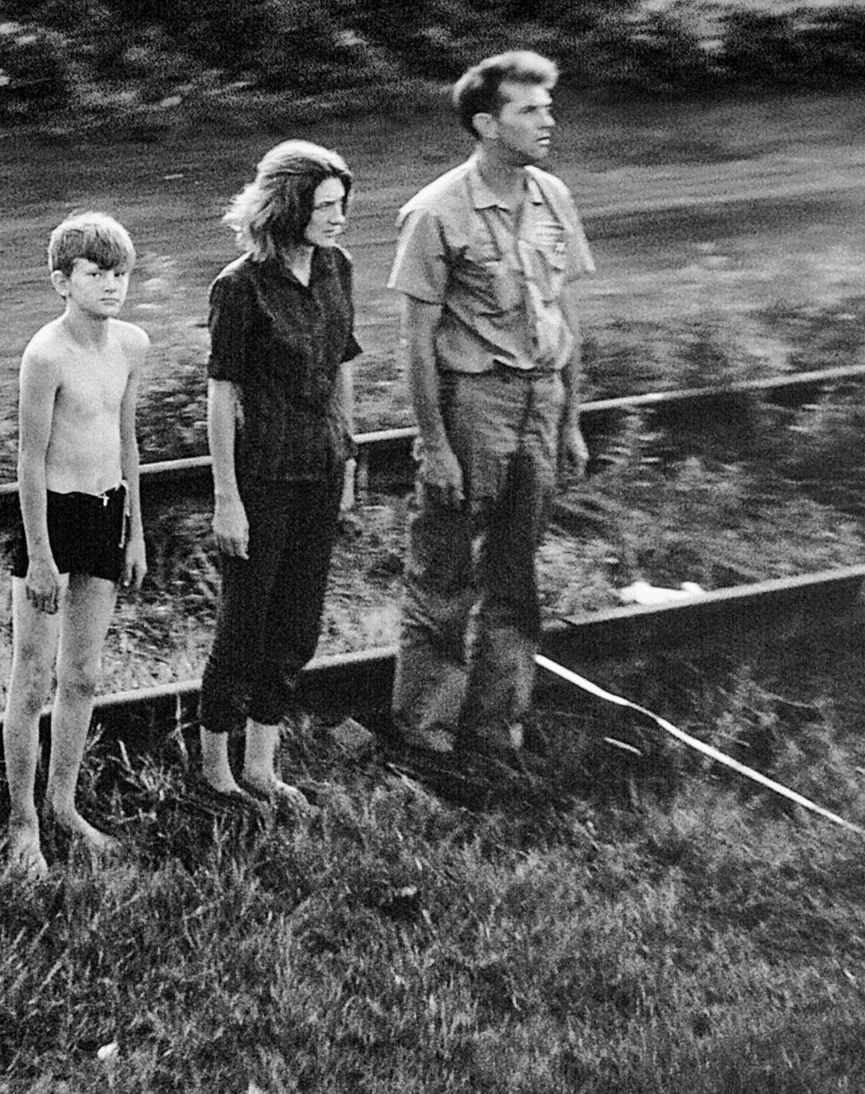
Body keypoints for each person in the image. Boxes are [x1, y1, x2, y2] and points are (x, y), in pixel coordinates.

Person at [387, 50, 593, 779]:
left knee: (516, 574)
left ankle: (495, 732)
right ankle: (427, 737)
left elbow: (564, 309)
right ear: (486, 123)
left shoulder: (553, 198)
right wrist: (433, 444)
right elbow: (413, 343)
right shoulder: (435, 211)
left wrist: (570, 417)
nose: (547, 121)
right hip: (473, 404)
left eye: (547, 106)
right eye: (529, 110)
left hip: (541, 401)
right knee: (445, 573)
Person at [195, 142, 361, 819]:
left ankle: (261, 767)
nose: (339, 217)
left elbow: (344, 365)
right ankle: (214, 776)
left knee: (296, 627)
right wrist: (227, 498)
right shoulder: (238, 287)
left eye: (342, 205)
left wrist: (347, 456)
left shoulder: (336, 268)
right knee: (244, 627)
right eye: (325, 206)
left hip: (319, 470)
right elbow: (220, 397)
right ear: (289, 207)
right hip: (261, 478)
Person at [1, 212, 150, 877]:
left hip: (106, 511)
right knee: (32, 678)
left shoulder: (131, 345)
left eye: (120, 272)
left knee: (83, 674)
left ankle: (63, 803)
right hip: (52, 518)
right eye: (96, 273)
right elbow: (30, 460)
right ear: (62, 280)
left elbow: (127, 439)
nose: (112, 285)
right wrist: (38, 555)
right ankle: (21, 822)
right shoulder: (46, 354)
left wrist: (135, 530)